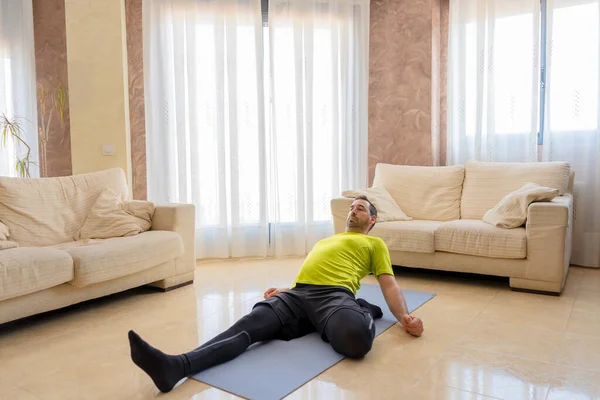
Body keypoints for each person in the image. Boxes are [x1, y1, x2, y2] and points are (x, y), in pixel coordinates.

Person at [128, 195, 424, 393]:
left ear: (372, 220)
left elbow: (389, 284)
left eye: (361, 208)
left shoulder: (374, 245)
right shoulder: (326, 241)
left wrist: (404, 317)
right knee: (246, 328)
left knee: (356, 342)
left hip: (335, 296)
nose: (353, 210)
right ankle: (177, 366)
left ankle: (363, 308)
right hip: (298, 296)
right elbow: (311, 273)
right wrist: (287, 289)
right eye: (351, 207)